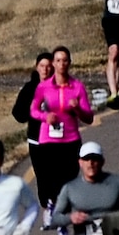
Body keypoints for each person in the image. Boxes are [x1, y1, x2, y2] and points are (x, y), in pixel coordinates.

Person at [30, 47, 95, 215]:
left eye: (65, 60)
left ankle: (62, 212)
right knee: (50, 179)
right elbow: (33, 110)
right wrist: (46, 117)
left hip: (70, 140)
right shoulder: (43, 87)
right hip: (48, 140)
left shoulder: (77, 87)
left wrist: (77, 109)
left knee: (69, 179)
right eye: (58, 60)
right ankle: (53, 212)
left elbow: (89, 117)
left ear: (70, 63)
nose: (61, 64)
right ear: (53, 63)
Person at [12, 49, 54, 200]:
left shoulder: (62, 86)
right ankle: (48, 208)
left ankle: (59, 210)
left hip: (59, 139)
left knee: (60, 176)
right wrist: (32, 111)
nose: (45, 69)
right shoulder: (30, 89)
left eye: (49, 66)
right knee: (43, 178)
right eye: (42, 66)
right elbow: (18, 113)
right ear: (37, 67)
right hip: (37, 140)